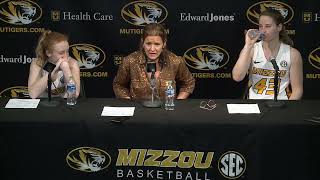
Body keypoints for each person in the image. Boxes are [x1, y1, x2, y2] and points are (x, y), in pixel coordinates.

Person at [232, 8, 303, 100]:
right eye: (260, 26)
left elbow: (297, 90)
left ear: (279, 27)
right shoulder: (252, 50)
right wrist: (248, 46)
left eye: (268, 26)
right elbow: (237, 77)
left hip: (281, 104)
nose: (263, 30)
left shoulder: (293, 54)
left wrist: (287, 111)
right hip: (254, 103)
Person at [113, 23, 195, 100]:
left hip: (166, 113)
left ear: (164, 44)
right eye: (148, 44)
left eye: (157, 44)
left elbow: (188, 83)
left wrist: (177, 103)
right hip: (139, 112)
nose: (152, 49)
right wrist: (128, 102)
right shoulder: (129, 61)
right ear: (142, 43)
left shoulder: (175, 61)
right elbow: (119, 85)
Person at [28, 30, 80, 99]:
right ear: (48, 53)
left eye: (67, 51)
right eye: (61, 53)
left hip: (64, 105)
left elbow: (74, 94)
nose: (66, 56)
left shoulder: (72, 63)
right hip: (43, 105)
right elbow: (33, 94)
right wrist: (51, 74)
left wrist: (66, 69)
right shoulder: (37, 63)